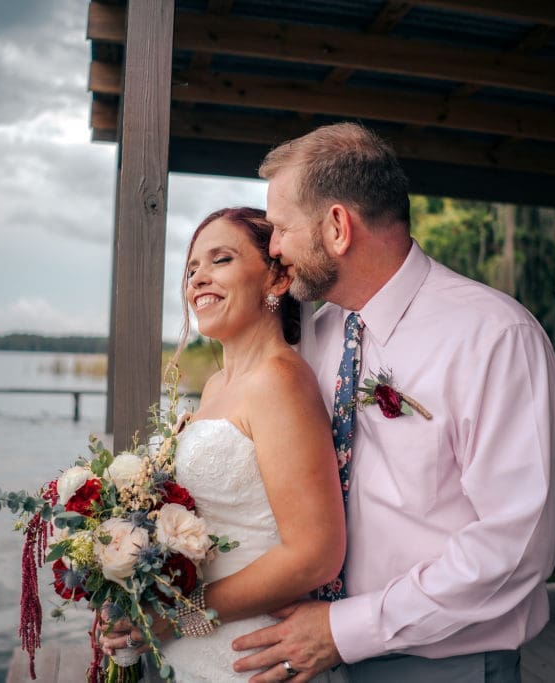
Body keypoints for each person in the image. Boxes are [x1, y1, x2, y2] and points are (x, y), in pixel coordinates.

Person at [231, 122, 555, 681]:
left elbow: (517, 544)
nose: (274, 248)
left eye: (283, 228)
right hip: (317, 653)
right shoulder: (317, 336)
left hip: (443, 664)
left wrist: (346, 629)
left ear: (337, 226)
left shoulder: (494, 336)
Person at [99, 207, 347, 682]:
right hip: (188, 649)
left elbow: (315, 553)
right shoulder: (215, 387)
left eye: (221, 260)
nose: (198, 279)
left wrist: (177, 616)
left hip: (245, 654)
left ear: (276, 279)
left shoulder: (280, 381)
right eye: (192, 268)